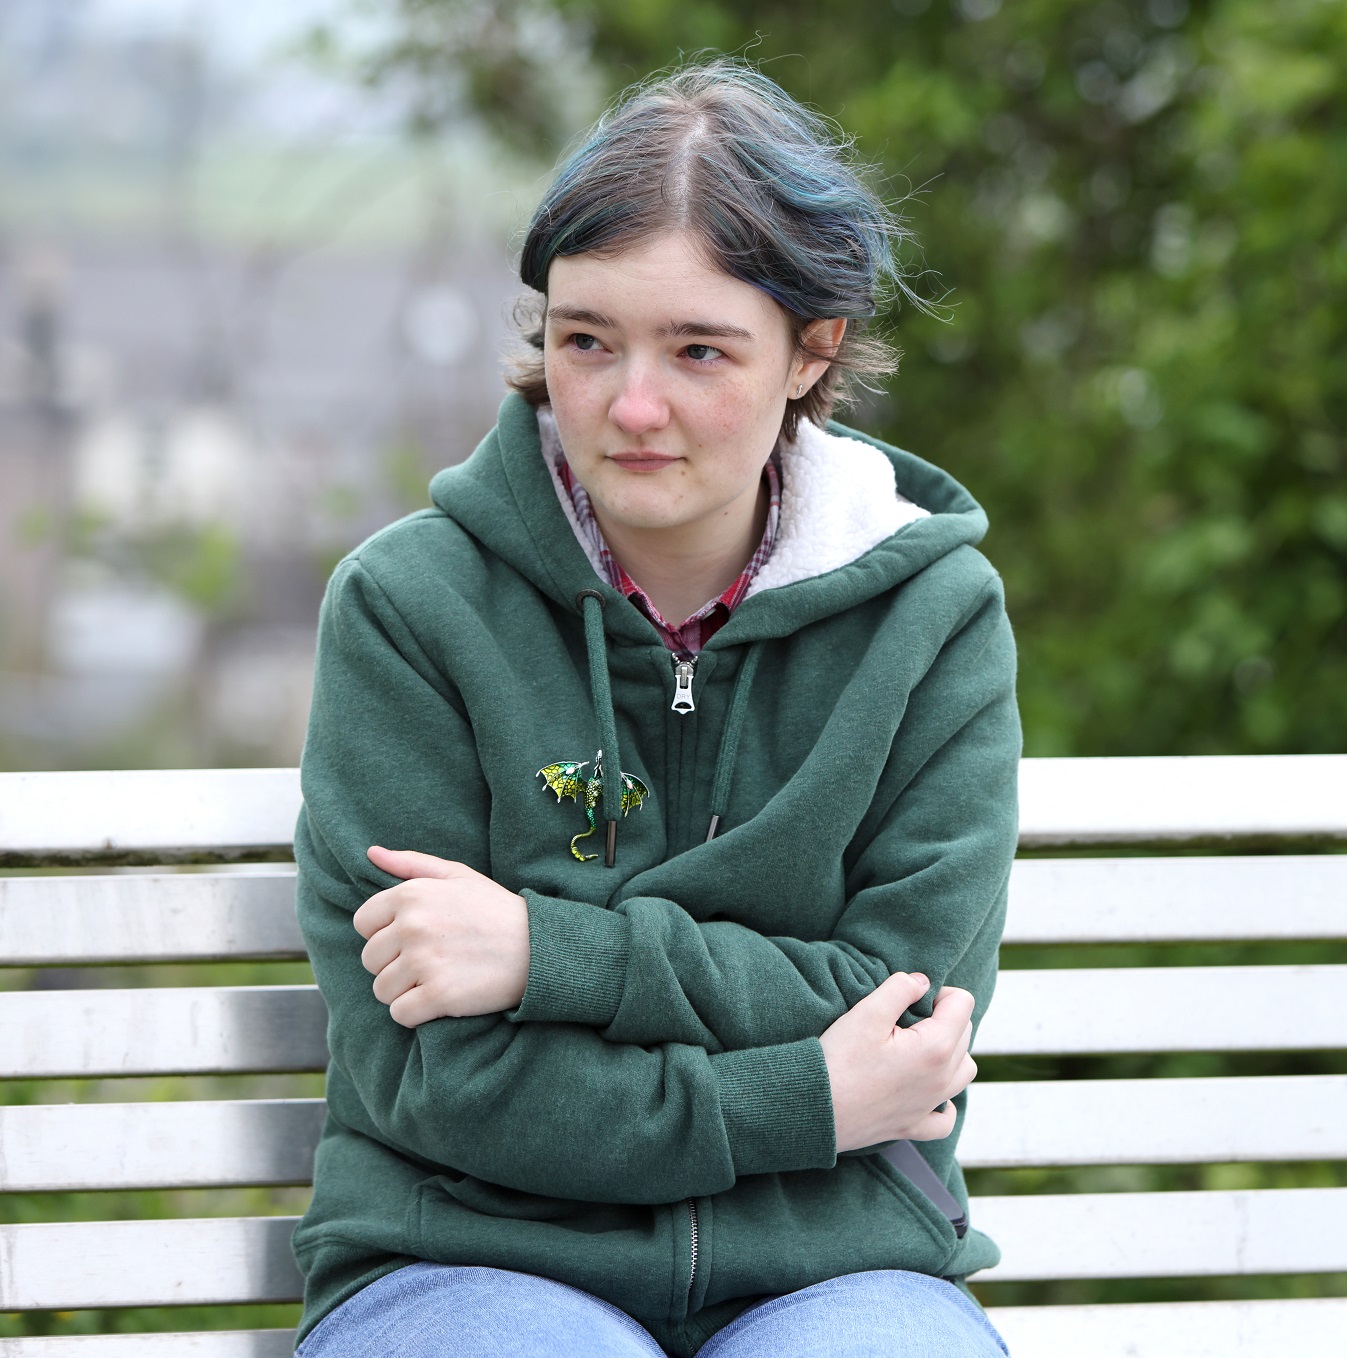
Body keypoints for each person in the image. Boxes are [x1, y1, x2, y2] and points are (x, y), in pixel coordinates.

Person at [289, 60, 1018, 1358]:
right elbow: (442, 1083)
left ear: (814, 348)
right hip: (469, 1255)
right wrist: (807, 1093)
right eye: (585, 340)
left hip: (837, 1264)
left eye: (698, 350)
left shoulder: (933, 618)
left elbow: (901, 1014)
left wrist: (544, 954)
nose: (629, 406)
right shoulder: (412, 611)